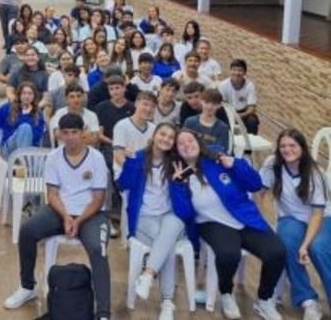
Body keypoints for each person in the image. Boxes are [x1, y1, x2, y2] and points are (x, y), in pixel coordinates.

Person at [170, 129, 286, 320]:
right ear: (177, 150)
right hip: (210, 222)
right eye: (181, 143)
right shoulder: (178, 174)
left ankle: (264, 300)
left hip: (244, 218)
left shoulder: (218, 160)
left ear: (199, 142)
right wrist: (178, 185)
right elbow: (185, 213)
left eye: (190, 140)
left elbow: (255, 184)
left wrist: (235, 165)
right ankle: (226, 293)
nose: (187, 145)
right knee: (228, 254)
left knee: (277, 252)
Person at [4, 113, 110, 319]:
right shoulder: (54, 157)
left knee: (99, 249)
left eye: (75, 133)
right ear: (60, 134)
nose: (70, 137)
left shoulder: (96, 159)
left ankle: (103, 312)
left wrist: (78, 220)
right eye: (66, 133)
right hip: (59, 210)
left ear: (83, 133)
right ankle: (27, 287)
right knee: (27, 231)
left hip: (91, 214)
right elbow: (52, 194)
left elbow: (98, 198)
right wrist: (66, 217)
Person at [260, 129, 330, 320]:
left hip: (322, 218)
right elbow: (259, 192)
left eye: (292, 145)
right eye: (283, 146)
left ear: (302, 148)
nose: (287, 150)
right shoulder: (272, 164)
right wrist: (258, 221)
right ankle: (308, 300)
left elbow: (317, 213)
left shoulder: (315, 172)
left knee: (319, 248)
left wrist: (305, 245)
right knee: (287, 242)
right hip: (290, 218)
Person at [116, 123, 182, 320]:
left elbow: (185, 204)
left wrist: (179, 183)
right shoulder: (138, 158)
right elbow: (122, 184)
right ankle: (168, 302)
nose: (166, 139)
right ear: (154, 135)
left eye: (171, 137)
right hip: (144, 218)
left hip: (169, 216)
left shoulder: (176, 163)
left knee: (174, 224)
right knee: (168, 245)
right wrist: (127, 162)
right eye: (163, 134)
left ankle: (147, 275)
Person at [0, 82, 46, 158]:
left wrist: (24, 138)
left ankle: (24, 162)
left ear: (34, 96)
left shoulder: (38, 113)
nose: (27, 96)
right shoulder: (6, 108)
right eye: (24, 93)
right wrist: (0, 144)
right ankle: (25, 164)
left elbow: (39, 135)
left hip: (30, 149)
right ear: (19, 95)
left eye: (30, 94)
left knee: (25, 129)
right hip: (9, 149)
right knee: (25, 127)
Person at [113, 91, 157, 170]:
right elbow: (118, 156)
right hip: (127, 172)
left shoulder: (154, 128)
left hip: (147, 172)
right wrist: (135, 171)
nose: (148, 109)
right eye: (145, 104)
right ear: (136, 103)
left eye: (153, 106)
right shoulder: (122, 126)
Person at [219, 59, 260, 136]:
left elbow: (251, 108)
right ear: (230, 71)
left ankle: (249, 146)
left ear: (244, 72)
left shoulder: (250, 86)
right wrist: (231, 116)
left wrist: (239, 116)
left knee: (252, 122)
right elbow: (222, 105)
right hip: (228, 111)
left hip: (244, 113)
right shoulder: (223, 85)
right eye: (234, 70)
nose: (237, 73)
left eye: (240, 70)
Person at [182, 88, 230, 155]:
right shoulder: (190, 122)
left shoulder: (223, 127)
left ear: (219, 105)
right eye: (206, 102)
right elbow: (183, 143)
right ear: (201, 101)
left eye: (214, 104)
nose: (209, 107)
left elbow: (221, 150)